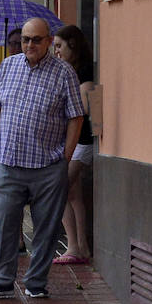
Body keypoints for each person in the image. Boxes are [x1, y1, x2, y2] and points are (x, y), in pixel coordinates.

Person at [0, 17, 84, 300]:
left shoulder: (64, 73)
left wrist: (66, 155)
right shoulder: (8, 66)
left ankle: (36, 282)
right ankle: (1, 281)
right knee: (4, 224)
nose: (29, 45)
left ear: (49, 41)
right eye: (25, 39)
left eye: (36, 40)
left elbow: (76, 117)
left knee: (47, 229)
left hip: (48, 165)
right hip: (9, 161)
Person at [52, 25, 97, 266]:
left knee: (59, 190)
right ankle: (81, 248)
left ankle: (73, 246)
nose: (56, 51)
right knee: (73, 194)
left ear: (73, 45)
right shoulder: (68, 73)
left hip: (83, 142)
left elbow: (88, 110)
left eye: (59, 46)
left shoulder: (85, 75)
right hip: (74, 142)